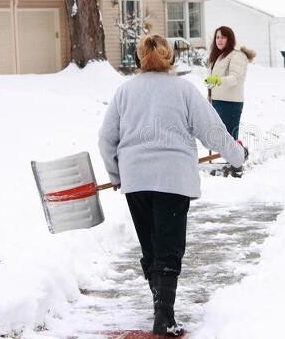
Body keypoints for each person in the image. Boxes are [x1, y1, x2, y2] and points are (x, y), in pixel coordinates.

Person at [98, 34, 247, 337]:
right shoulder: (183, 89)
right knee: (169, 247)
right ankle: (164, 315)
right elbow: (213, 131)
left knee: (151, 245)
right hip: (173, 179)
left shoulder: (125, 91)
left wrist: (116, 175)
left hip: (136, 179)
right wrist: (237, 156)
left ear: (140, 57)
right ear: (170, 56)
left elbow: (106, 138)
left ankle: (161, 308)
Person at [204, 26, 256, 176]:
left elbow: (235, 78)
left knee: (229, 135)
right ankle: (237, 157)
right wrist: (210, 90)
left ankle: (237, 162)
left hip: (231, 102)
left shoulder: (237, 56)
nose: (219, 40)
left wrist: (217, 80)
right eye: (217, 37)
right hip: (217, 101)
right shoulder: (218, 56)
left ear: (230, 39)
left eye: (223, 37)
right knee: (220, 134)